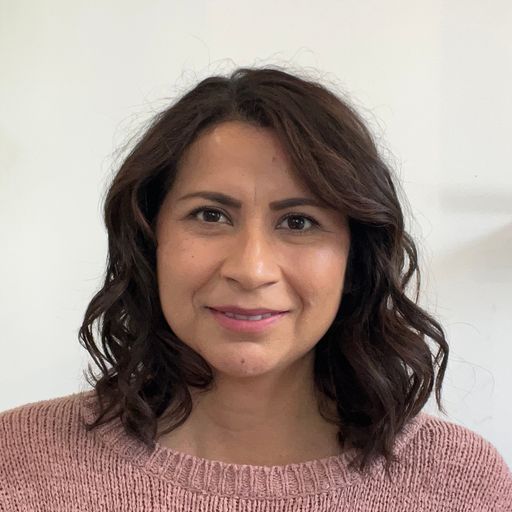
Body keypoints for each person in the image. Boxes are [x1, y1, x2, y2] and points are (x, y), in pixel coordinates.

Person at [1, 66, 510, 511]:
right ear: (149, 240)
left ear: (356, 259)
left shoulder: (460, 484)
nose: (251, 269)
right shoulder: (19, 464)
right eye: (210, 215)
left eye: (299, 222)